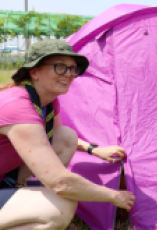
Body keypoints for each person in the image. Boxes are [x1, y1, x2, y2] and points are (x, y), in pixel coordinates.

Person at [0, 39, 135, 229]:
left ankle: (27, 202)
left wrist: (94, 150)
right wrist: (113, 196)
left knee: (65, 136)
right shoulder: (17, 105)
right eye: (60, 67)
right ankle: (34, 211)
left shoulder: (46, 101)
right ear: (34, 71)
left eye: (72, 69)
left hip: (7, 177)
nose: (69, 74)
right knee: (60, 206)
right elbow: (61, 183)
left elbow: (55, 138)